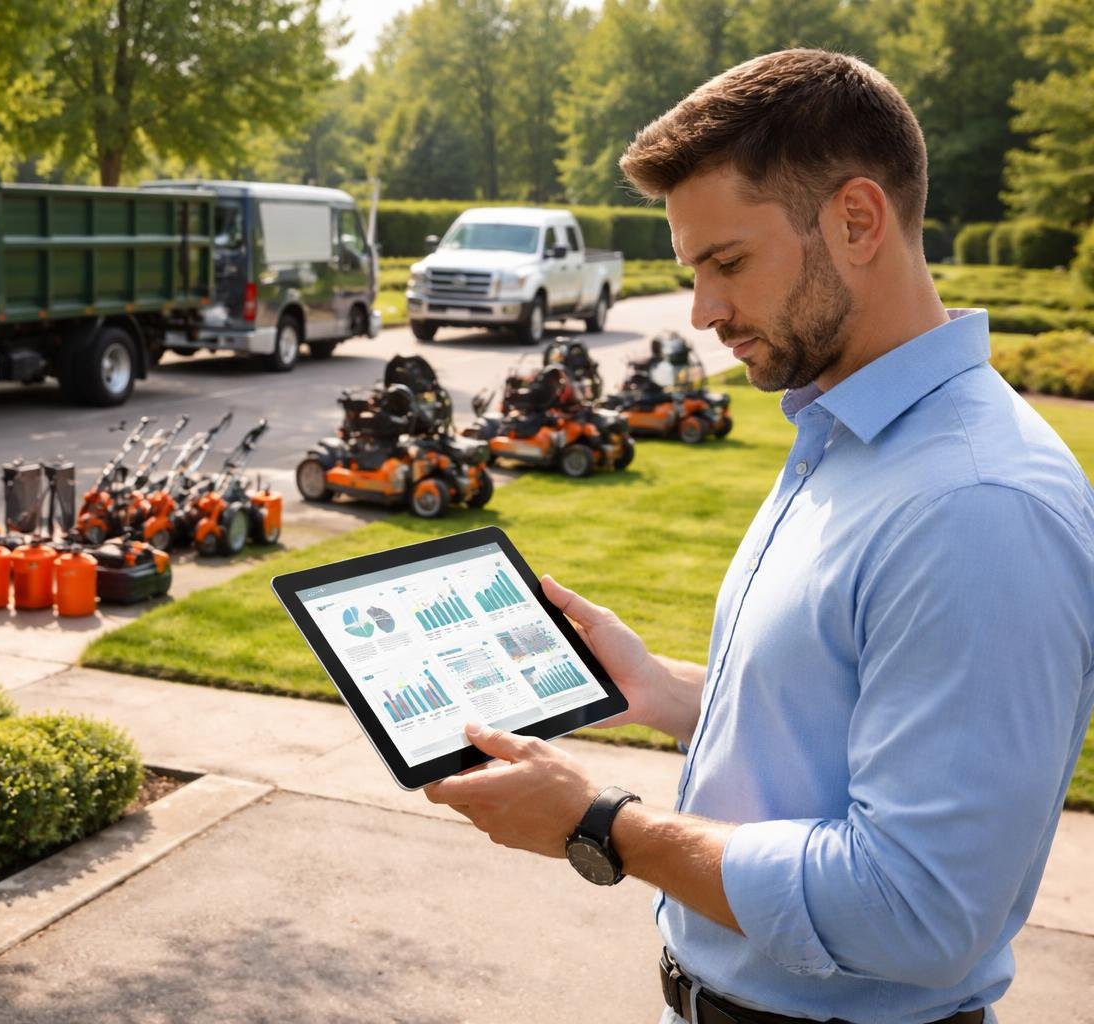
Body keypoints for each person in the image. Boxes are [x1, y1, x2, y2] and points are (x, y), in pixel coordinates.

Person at [424, 48, 1094, 1024]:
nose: (704, 313)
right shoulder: (847, 435)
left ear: (857, 220)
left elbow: (918, 908)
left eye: (727, 262)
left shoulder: (977, 503)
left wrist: (602, 823)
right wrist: (662, 689)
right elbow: (841, 725)